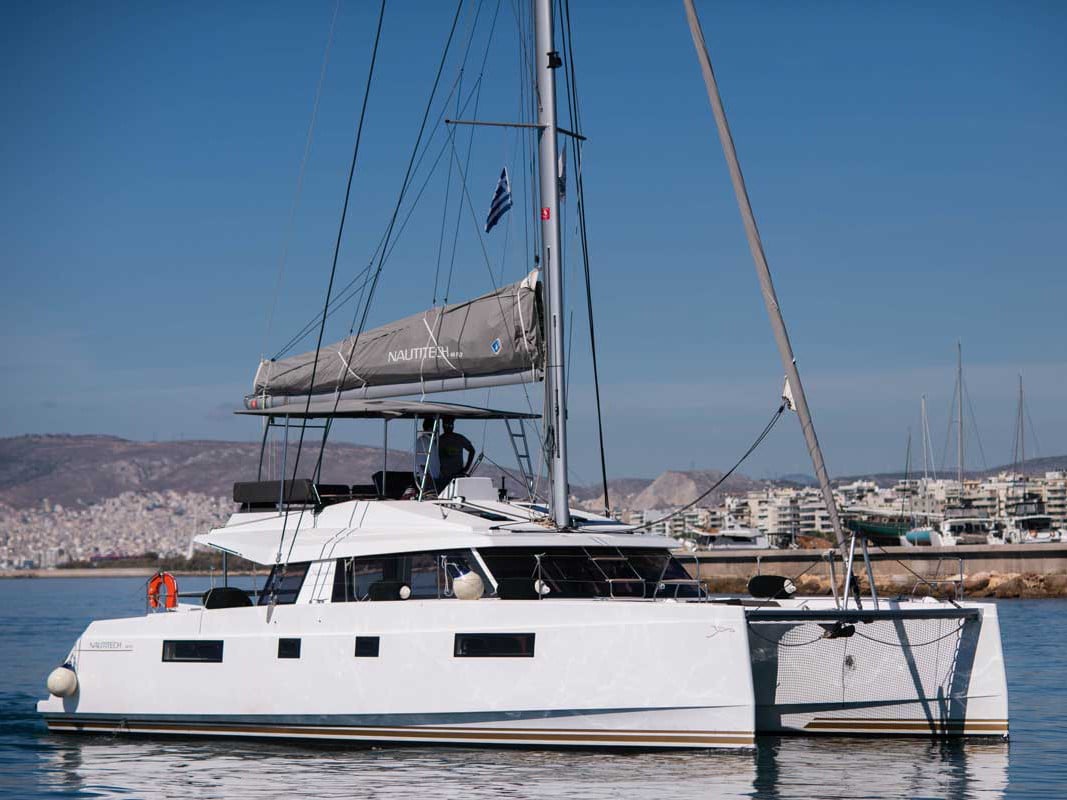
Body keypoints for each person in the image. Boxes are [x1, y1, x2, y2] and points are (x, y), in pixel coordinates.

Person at [437, 416, 475, 486]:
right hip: (443, 476)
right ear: (443, 426)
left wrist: (466, 468)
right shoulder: (439, 440)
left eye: (450, 425)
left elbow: (472, 450)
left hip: (458, 476)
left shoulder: (459, 438)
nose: (448, 427)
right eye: (446, 425)